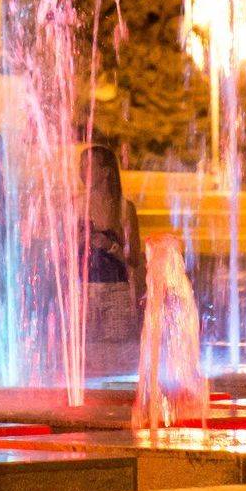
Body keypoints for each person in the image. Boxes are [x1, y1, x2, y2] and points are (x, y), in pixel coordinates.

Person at [80, 144, 144, 362]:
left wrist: (110, 246)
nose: (82, 172)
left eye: (88, 166)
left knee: (116, 356)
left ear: (106, 171)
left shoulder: (124, 209)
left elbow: (134, 258)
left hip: (116, 292)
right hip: (84, 292)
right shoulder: (76, 206)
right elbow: (62, 252)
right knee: (86, 357)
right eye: (81, 166)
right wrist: (80, 240)